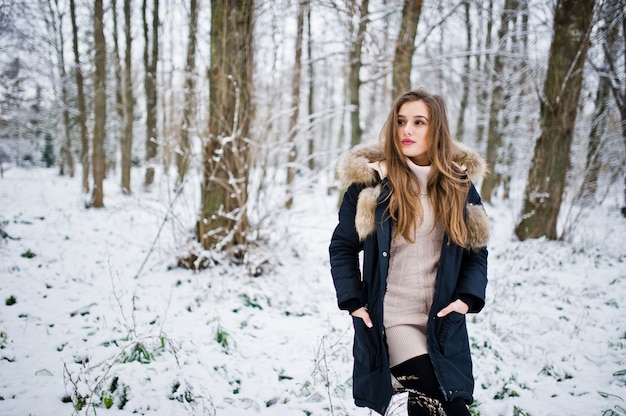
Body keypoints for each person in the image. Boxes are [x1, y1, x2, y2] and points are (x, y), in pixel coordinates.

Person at [329, 89, 489, 416]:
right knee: (447, 408)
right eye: (401, 122)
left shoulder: (459, 186)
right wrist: (354, 301)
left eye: (419, 122)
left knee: (430, 407)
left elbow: (477, 250)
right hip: (394, 319)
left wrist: (466, 299)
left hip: (442, 321)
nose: (407, 130)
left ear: (437, 129)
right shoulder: (371, 186)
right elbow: (342, 247)